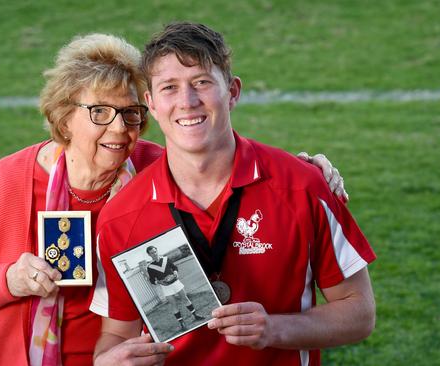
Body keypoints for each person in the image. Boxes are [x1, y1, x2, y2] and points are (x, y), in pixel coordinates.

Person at [0, 33, 346, 365]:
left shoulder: (151, 166)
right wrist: (10, 279)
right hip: (19, 355)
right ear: (64, 116)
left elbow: (217, 165)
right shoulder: (10, 180)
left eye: (131, 114)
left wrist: (307, 167)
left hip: (113, 354)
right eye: (100, 113)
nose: (119, 129)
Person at [90, 22, 376, 366]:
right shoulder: (120, 217)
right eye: (170, 87)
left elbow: (359, 312)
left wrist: (274, 329)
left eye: (202, 82)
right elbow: (117, 334)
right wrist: (110, 360)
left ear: (233, 91)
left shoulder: (302, 186)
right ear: (150, 102)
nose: (188, 101)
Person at [146, 245, 205, 331]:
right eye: (151, 253)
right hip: (165, 286)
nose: (154, 254)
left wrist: (175, 272)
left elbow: (174, 267)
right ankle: (182, 323)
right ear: (149, 255)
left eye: (155, 251)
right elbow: (152, 280)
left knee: (185, 298)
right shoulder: (150, 266)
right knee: (174, 304)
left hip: (175, 282)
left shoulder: (165, 259)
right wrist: (159, 282)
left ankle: (196, 315)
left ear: (157, 251)